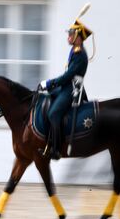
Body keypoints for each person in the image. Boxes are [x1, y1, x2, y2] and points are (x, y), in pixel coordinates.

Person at [39, 13, 93, 160]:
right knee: (48, 100)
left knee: (53, 114)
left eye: (71, 34)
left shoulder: (80, 54)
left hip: (72, 89)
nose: (68, 36)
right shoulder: (74, 51)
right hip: (67, 86)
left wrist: (49, 83)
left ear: (78, 37)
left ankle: (56, 150)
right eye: (69, 34)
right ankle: (48, 140)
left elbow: (68, 76)